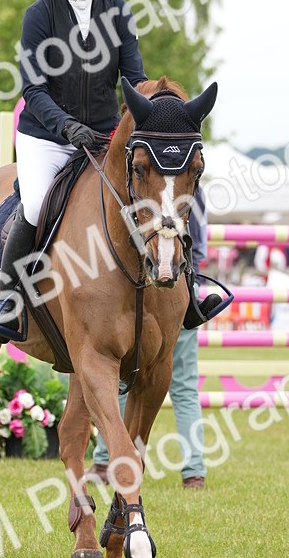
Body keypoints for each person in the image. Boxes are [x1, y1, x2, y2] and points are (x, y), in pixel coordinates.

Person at [0, 0, 148, 344]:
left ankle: (184, 292)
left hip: (103, 136)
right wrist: (65, 127)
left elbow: (134, 81)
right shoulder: (39, 14)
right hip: (45, 135)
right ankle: (11, 299)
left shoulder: (119, 13)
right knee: (39, 205)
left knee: (155, 188)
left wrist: (147, 118)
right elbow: (33, 87)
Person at [90, 187, 211, 489]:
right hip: (183, 285)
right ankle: (194, 470)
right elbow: (199, 247)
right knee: (185, 385)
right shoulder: (191, 189)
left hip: (149, 292)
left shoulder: (140, 191)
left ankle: (105, 461)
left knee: (118, 374)